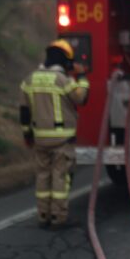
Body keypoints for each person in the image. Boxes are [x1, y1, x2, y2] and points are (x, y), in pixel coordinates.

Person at [20, 39, 89, 229]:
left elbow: (24, 112)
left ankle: (43, 215)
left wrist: (27, 136)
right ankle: (58, 218)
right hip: (61, 140)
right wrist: (82, 76)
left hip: (40, 139)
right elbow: (81, 98)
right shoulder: (63, 80)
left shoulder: (29, 79)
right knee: (60, 177)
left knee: (43, 176)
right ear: (65, 61)